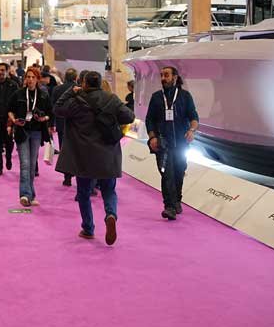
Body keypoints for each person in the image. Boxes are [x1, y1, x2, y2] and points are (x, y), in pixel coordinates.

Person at [55, 71, 135, 245]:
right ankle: (111, 215)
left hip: (84, 156)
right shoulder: (111, 99)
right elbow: (129, 116)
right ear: (100, 83)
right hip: (108, 155)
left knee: (83, 194)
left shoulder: (77, 101)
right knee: (109, 190)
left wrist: (71, 92)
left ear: (84, 83)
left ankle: (88, 228)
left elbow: (58, 108)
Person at [145, 66, 199, 220]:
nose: (163, 78)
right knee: (166, 174)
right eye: (161, 75)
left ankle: (177, 200)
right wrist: (152, 137)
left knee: (179, 172)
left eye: (166, 75)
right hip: (163, 144)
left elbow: (194, 116)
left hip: (181, 144)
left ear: (175, 77)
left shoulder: (185, 96)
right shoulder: (156, 97)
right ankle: (169, 206)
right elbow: (149, 120)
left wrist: (192, 130)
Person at [8, 68, 53, 207]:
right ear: (25, 78)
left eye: (33, 77)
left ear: (37, 79)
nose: (30, 79)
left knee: (32, 165)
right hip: (22, 131)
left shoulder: (43, 95)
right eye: (28, 77)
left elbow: (50, 113)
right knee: (25, 164)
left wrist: (43, 118)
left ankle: (31, 194)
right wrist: (14, 120)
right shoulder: (18, 93)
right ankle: (24, 195)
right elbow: (9, 110)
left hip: (37, 131)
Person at [51, 68, 78, 186]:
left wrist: (51, 123)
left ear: (65, 77)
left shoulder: (57, 89)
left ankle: (67, 177)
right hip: (77, 125)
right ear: (76, 77)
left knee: (64, 151)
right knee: (77, 151)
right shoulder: (79, 89)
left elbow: (53, 106)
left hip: (62, 123)